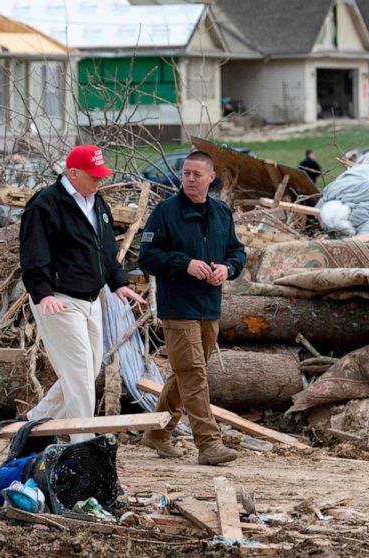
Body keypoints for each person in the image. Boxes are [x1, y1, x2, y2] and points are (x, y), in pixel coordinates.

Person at [19, 145, 146, 443]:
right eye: (94, 176)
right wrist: (42, 292)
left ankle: (34, 423)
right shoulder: (45, 205)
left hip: (91, 298)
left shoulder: (98, 203)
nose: (99, 181)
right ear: (73, 174)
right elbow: (32, 252)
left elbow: (106, 251)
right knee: (78, 374)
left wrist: (118, 282)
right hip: (58, 299)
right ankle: (83, 443)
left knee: (88, 372)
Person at [138, 151, 246, 465]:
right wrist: (184, 264)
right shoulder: (165, 212)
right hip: (178, 307)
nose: (189, 179)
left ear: (211, 177)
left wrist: (228, 268)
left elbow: (238, 252)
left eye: (196, 174)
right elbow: (146, 256)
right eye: (185, 173)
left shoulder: (221, 212)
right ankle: (209, 443)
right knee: (194, 374)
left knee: (185, 373)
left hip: (209, 307)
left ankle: (156, 433)